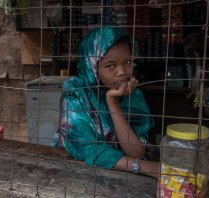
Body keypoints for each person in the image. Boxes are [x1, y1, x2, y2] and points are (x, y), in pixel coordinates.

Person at [52, 27, 160, 178]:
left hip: (123, 174)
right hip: (76, 173)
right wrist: (144, 167)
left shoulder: (133, 94)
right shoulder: (75, 90)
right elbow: (88, 148)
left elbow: (136, 152)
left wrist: (113, 103)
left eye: (128, 62)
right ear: (93, 67)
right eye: (111, 66)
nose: (122, 72)